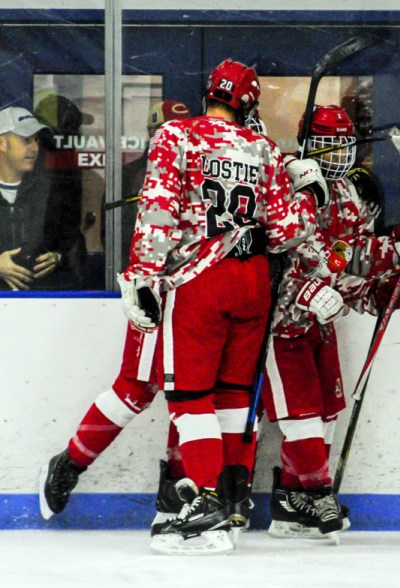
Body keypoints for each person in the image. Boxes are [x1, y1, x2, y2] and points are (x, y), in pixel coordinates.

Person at [41, 58, 317, 556]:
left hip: (193, 281)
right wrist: (304, 192)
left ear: (208, 92)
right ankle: (223, 497)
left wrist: (143, 274)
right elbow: (289, 233)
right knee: (221, 394)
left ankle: (205, 500)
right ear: (249, 103)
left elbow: (158, 209)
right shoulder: (265, 150)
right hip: (251, 282)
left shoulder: (178, 136)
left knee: (187, 398)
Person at [262, 104, 400, 543]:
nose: (337, 156)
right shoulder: (288, 185)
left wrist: (381, 279)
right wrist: (307, 291)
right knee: (302, 419)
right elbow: (277, 252)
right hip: (281, 324)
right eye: (328, 146)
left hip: (320, 326)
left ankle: (292, 501)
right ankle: (319, 492)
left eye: (344, 146)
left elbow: (352, 258)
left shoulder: (349, 195)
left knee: (327, 414)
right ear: (308, 143)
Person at [0, 106, 81, 290]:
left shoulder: (52, 191)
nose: (35, 148)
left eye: (36, 140)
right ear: (2, 144)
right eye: (26, 140)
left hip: (42, 304)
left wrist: (59, 257)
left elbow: (76, 242)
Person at [116, 100, 191, 270]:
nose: (178, 137)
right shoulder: (129, 175)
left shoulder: (200, 172)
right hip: (145, 273)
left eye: (185, 130)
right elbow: (117, 235)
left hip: (187, 274)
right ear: (152, 132)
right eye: (169, 130)